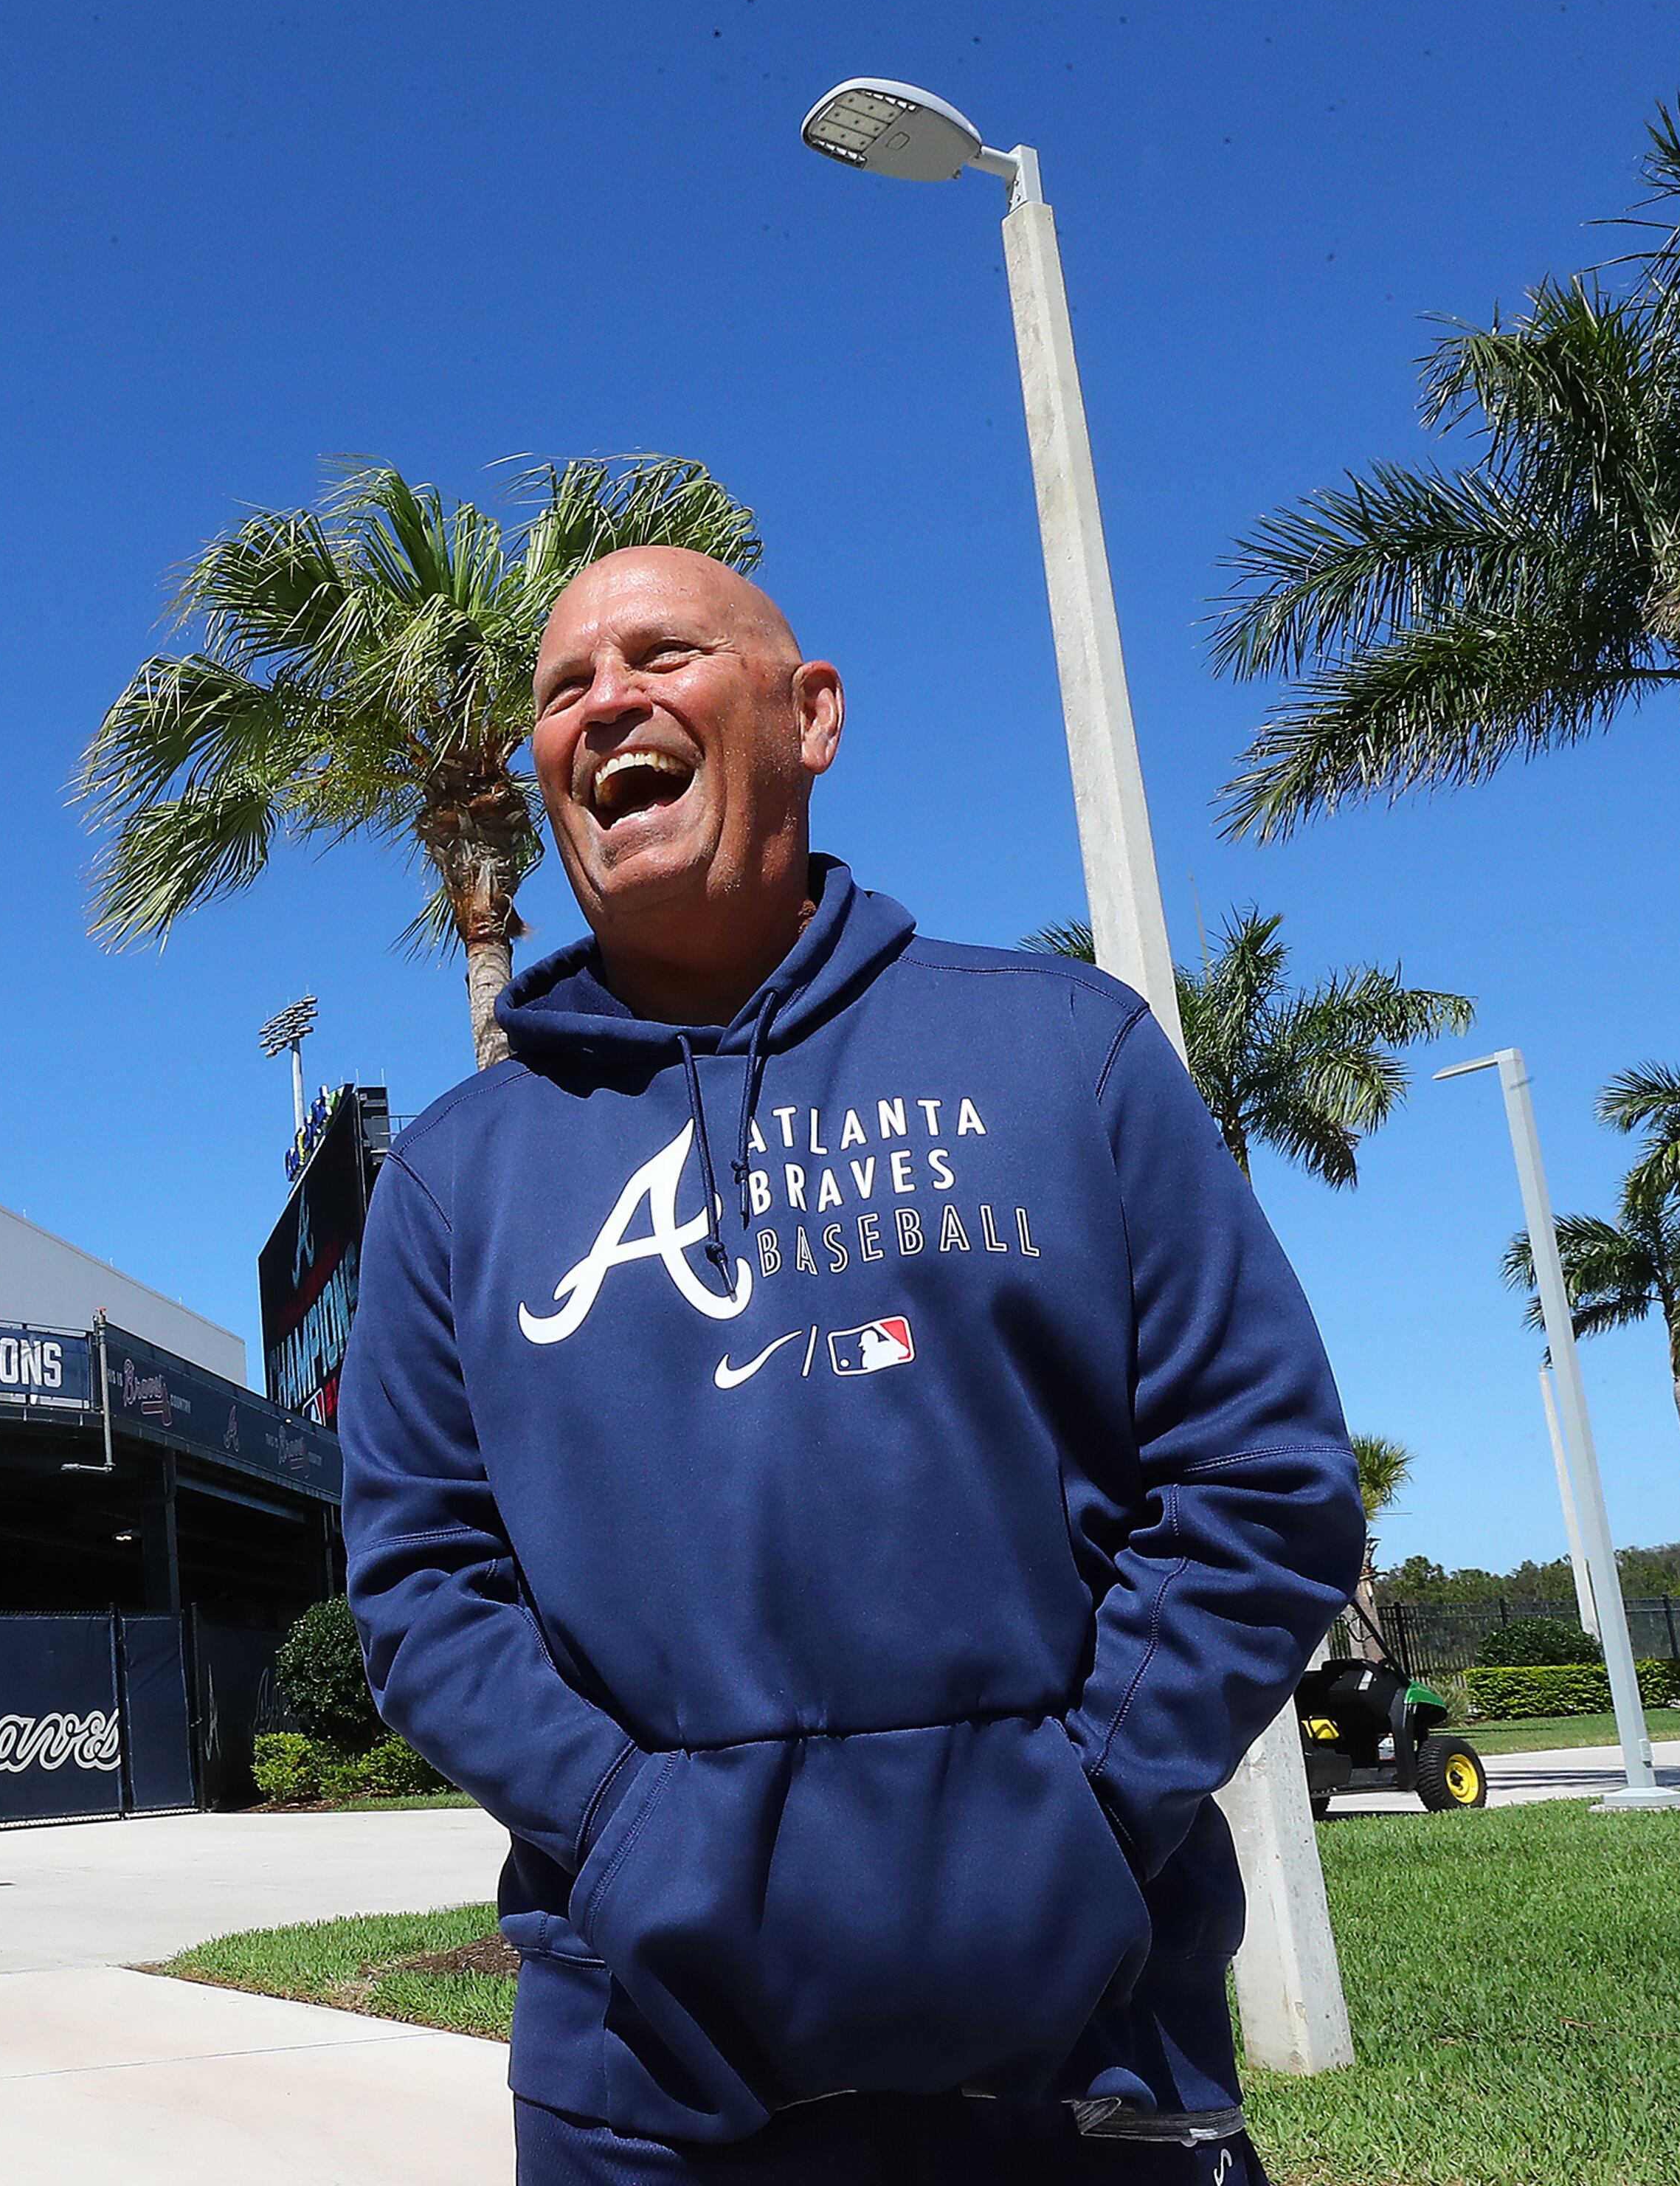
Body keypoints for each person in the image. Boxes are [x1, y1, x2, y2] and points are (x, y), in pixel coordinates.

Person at [337, 548, 1363, 2184]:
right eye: (561, 689)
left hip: (1086, 2059)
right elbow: (425, 1593)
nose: (605, 703)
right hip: (650, 2088)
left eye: (660, 654)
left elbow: (1260, 1480)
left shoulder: (1064, 1053)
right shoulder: (455, 1182)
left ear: (810, 716)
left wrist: (1082, 1817)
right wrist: (633, 1842)